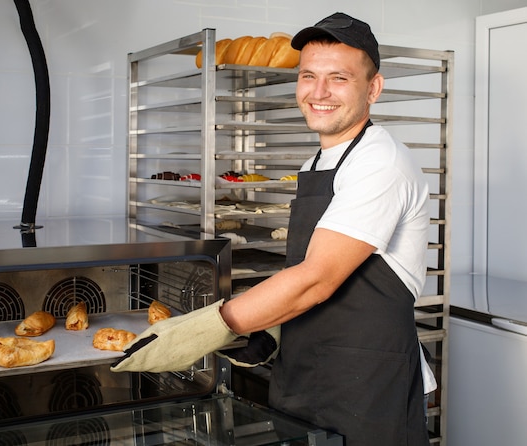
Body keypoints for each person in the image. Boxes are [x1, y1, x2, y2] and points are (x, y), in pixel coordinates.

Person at [113, 12, 431, 446]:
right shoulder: (317, 163)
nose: (318, 93)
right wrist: (271, 326)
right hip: (305, 371)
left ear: (372, 88)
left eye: (338, 78)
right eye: (308, 76)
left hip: (367, 384)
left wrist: (208, 326)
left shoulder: (381, 161)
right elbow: (312, 266)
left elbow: (316, 278)